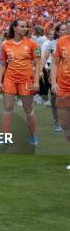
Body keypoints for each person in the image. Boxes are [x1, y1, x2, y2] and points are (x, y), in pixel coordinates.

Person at [0, 20, 41, 146]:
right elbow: (2, 64)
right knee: (7, 108)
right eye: (22, 26)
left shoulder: (32, 44)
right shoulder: (6, 44)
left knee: (28, 109)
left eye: (26, 27)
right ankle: (5, 137)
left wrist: (37, 81)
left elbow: (38, 64)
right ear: (15, 28)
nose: (25, 29)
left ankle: (33, 136)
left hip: (26, 79)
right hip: (10, 79)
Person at [50, 21, 70, 168]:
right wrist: (54, 83)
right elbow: (56, 63)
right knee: (65, 123)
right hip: (63, 88)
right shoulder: (62, 41)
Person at [43, 23, 67, 132]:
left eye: (66, 29)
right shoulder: (53, 43)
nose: (65, 31)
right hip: (54, 73)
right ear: (58, 32)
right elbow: (46, 57)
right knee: (55, 99)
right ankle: (57, 121)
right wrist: (41, 71)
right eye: (62, 29)